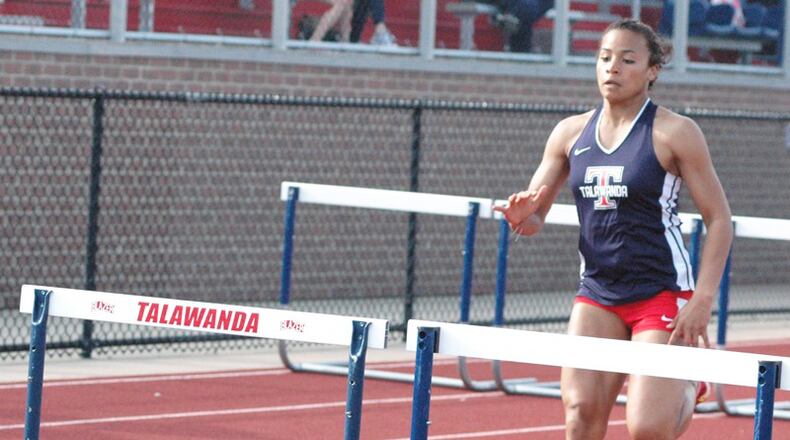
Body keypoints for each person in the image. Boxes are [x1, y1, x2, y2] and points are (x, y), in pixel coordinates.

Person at [494, 19, 733, 440]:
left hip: (660, 291)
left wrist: (702, 299)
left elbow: (719, 220)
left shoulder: (674, 132)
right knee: (581, 414)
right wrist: (521, 216)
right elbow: (533, 219)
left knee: (646, 429)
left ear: (652, 70)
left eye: (627, 60)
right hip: (599, 291)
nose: (612, 68)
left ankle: (688, 380)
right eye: (605, 58)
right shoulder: (570, 133)